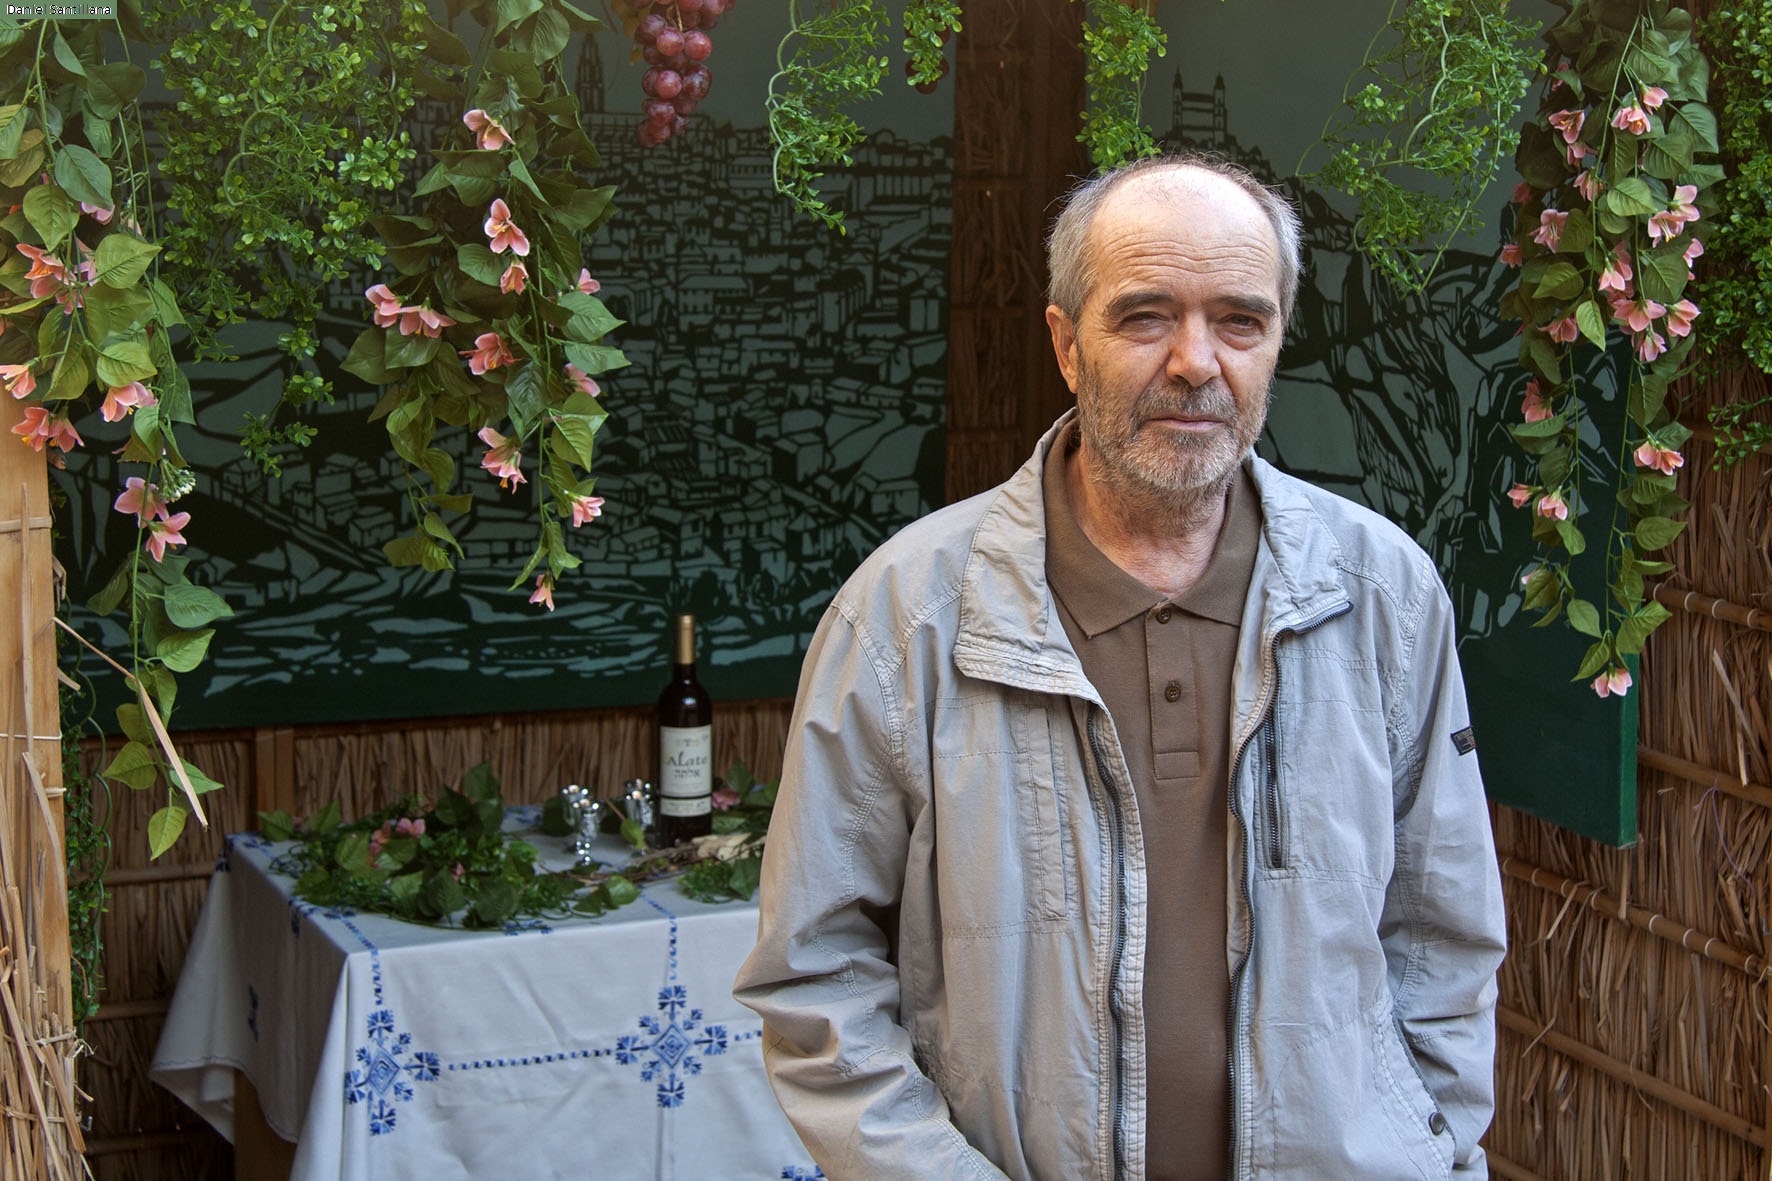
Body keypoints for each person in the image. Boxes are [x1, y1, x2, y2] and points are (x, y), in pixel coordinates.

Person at [734, 152, 1507, 1180]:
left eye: (1240, 320)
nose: (1195, 361)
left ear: (1278, 338)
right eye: (1145, 317)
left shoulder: (1379, 594)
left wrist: (1422, 1147)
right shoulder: (909, 615)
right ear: (1066, 344)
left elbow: (1442, 932)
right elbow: (815, 978)